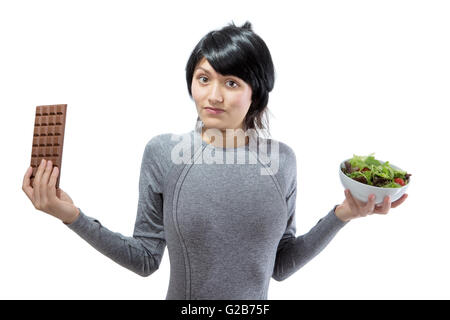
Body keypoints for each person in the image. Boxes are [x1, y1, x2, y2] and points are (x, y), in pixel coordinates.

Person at [22, 21, 408, 300]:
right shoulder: (162, 153)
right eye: (204, 78)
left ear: (256, 94)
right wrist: (70, 215)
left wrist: (341, 215)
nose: (214, 95)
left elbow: (281, 264)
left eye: (232, 82)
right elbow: (144, 259)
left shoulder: (282, 161)